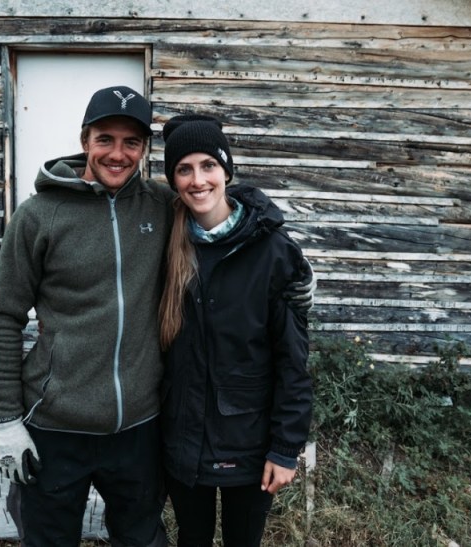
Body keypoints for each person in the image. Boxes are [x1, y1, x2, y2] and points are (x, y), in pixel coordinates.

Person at [0, 85, 171, 546]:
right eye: (106, 139)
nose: (118, 154)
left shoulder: (162, 207)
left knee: (143, 538)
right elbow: (2, 316)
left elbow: (222, 204)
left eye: (132, 142)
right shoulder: (39, 216)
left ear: (144, 149)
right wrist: (6, 422)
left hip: (139, 425)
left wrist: (290, 269)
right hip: (55, 425)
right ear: (85, 140)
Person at [157, 114, 314, 547]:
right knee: (192, 537)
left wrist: (285, 448)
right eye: (184, 169)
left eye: (208, 165)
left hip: (249, 442)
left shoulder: (272, 251)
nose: (198, 180)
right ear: (172, 180)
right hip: (183, 439)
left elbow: (293, 361)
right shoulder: (163, 246)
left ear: (226, 169)